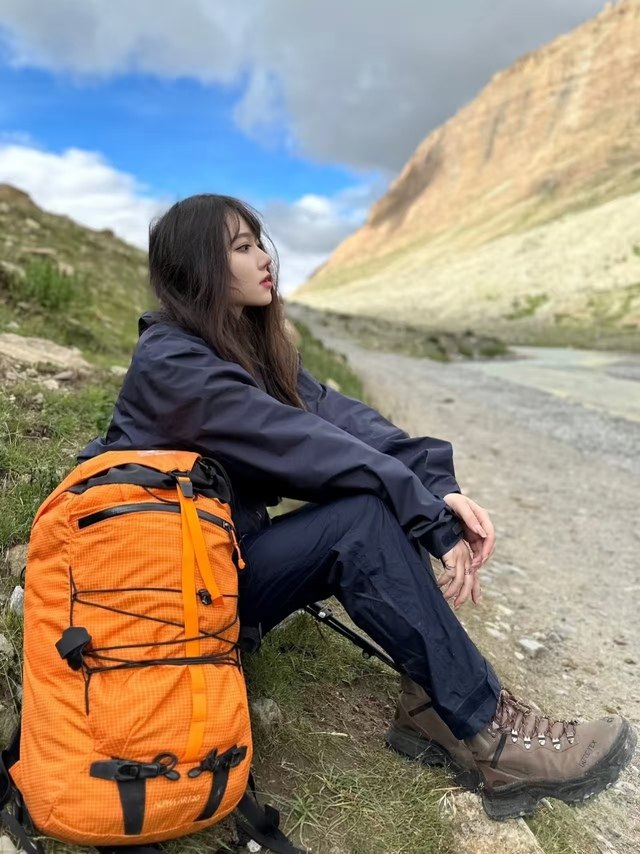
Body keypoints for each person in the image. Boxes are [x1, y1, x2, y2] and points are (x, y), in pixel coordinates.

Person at [79, 193, 636, 822]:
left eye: (261, 242)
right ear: (198, 266)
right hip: (161, 600)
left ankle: (432, 707)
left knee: (371, 500)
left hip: (212, 572)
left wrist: (437, 487)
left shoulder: (244, 350)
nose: (265, 258)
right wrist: (425, 517)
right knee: (362, 519)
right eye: (242, 247)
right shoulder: (175, 365)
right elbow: (306, 445)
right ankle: (494, 737)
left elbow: (343, 421)